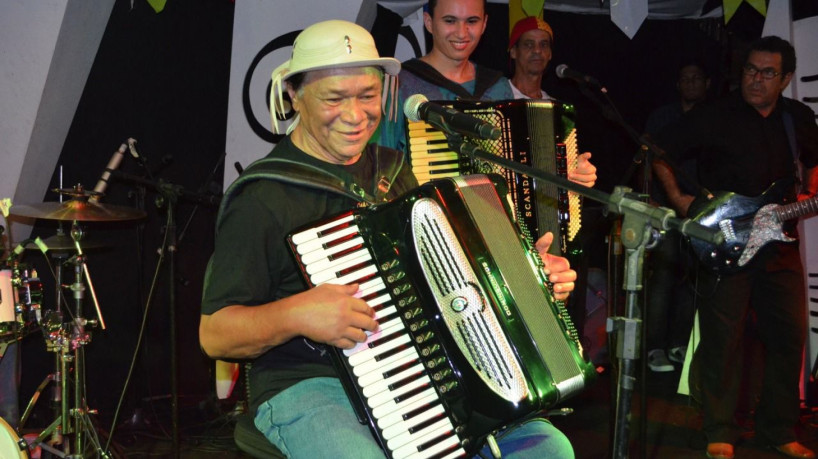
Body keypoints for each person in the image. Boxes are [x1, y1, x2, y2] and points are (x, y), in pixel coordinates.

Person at [200, 19, 580, 458]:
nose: (356, 114)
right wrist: (297, 314)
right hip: (310, 382)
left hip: (415, 373)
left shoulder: (395, 171)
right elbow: (215, 335)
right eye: (335, 98)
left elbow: (447, 280)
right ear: (294, 95)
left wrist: (524, 277)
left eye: (367, 95)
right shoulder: (263, 196)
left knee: (548, 450)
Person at [654, 36, 818, 459]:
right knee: (722, 339)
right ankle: (718, 429)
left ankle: (779, 429)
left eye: (767, 73)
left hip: (779, 245)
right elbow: (657, 150)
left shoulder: (796, 117)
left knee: (788, 336)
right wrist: (681, 200)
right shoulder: (715, 114)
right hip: (725, 241)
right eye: (750, 70)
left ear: (785, 79)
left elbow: (815, 161)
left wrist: (808, 196)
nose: (756, 79)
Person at [641, 61, 711, 373]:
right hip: (664, 208)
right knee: (664, 276)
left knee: (692, 278)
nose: (691, 83)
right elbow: (647, 158)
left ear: (707, 83)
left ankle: (679, 343)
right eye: (685, 78)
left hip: (701, 209)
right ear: (678, 84)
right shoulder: (663, 117)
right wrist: (651, 200)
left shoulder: (716, 117)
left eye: (697, 78)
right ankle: (654, 347)